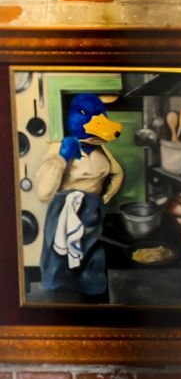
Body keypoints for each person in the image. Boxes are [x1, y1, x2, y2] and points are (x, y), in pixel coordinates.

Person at [30, 93, 124, 299]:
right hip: (64, 211)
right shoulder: (59, 147)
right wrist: (63, 157)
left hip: (92, 212)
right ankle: (59, 299)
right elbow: (43, 191)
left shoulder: (100, 147)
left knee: (91, 257)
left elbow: (117, 173)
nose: (99, 120)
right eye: (88, 114)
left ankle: (91, 298)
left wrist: (103, 198)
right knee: (60, 260)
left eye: (100, 114)